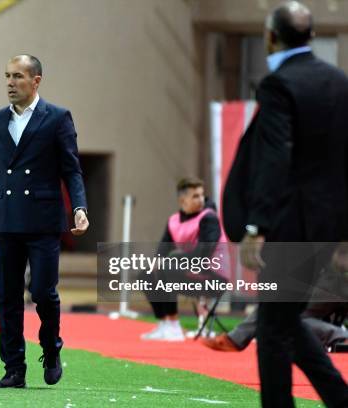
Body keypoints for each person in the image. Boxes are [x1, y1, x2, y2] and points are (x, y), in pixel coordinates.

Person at [222, 2, 348, 406]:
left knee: (274, 330)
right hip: (326, 226)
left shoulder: (279, 84)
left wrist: (257, 226)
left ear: (271, 36)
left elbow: (275, 157)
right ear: (311, 37)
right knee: (284, 320)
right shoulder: (339, 82)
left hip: (289, 224)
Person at [0, 54, 89, 388]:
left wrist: (80, 207)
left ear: (36, 81)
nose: (10, 83)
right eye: (7, 76)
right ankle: (14, 368)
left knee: (42, 292)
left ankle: (51, 349)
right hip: (6, 220)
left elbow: (71, 168)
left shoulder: (57, 118)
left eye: (17, 77)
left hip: (43, 221)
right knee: (7, 297)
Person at [201, 243, 348, 351]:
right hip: (329, 277)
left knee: (280, 309)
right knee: (282, 308)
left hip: (335, 279)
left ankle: (339, 334)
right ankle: (236, 338)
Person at [141, 177, 228, 341]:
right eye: (195, 196)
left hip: (213, 276)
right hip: (187, 272)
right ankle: (164, 323)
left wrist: (175, 260)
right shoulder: (173, 220)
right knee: (146, 275)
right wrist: (156, 262)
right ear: (182, 200)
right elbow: (163, 247)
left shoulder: (209, 218)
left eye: (202, 195)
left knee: (168, 267)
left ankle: (174, 327)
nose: (201, 199)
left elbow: (204, 253)